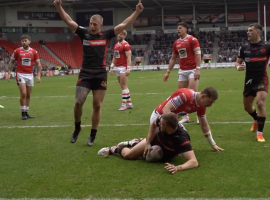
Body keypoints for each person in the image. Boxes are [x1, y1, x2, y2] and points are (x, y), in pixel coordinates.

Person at [53, 0, 144, 146]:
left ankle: (92, 135)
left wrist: (137, 12)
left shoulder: (106, 34)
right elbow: (68, 21)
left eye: (95, 24)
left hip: (100, 73)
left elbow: (124, 24)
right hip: (85, 73)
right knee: (78, 103)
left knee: (97, 105)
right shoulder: (84, 33)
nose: (92, 26)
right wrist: (59, 7)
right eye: (90, 23)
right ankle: (77, 128)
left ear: (101, 25)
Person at [98, 113, 199, 174]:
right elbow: (154, 123)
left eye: (161, 124)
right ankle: (113, 149)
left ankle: (135, 142)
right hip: (154, 141)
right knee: (129, 156)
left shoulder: (181, 138)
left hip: (164, 152)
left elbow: (194, 161)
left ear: (169, 129)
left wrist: (177, 167)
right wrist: (147, 143)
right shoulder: (163, 120)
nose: (159, 124)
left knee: (148, 157)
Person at [150, 87, 224, 151]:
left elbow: (204, 125)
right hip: (159, 116)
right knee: (158, 147)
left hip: (171, 120)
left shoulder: (201, 106)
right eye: (210, 102)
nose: (210, 105)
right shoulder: (186, 96)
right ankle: (142, 142)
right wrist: (174, 127)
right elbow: (166, 109)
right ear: (203, 96)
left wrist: (213, 144)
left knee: (183, 138)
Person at [235, 23, 270, 142]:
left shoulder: (267, 46)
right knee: (247, 107)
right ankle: (256, 119)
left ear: (258, 32)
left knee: (260, 103)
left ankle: (259, 133)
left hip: (262, 79)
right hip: (249, 80)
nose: (247, 33)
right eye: (248, 30)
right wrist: (238, 67)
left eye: (250, 30)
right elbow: (237, 63)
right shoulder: (244, 47)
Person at [163, 22, 202, 124]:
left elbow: (198, 55)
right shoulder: (176, 43)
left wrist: (198, 69)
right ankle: (185, 117)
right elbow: (173, 59)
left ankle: (199, 116)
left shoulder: (192, 40)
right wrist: (168, 72)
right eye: (177, 28)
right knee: (181, 95)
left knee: (193, 94)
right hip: (182, 70)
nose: (178, 30)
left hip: (193, 69)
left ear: (186, 29)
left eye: (180, 28)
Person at [7, 35, 41, 120]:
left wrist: (38, 75)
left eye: (25, 40)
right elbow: (11, 62)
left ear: (29, 41)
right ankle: (23, 113)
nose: (24, 42)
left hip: (30, 75)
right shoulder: (17, 51)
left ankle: (26, 112)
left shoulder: (34, 52)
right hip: (20, 74)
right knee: (23, 93)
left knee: (28, 95)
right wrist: (9, 73)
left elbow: (38, 64)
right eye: (22, 41)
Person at [109, 30, 133, 111]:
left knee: (123, 85)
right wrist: (111, 67)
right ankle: (129, 103)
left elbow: (129, 57)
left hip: (123, 67)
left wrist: (128, 68)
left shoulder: (126, 45)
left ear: (124, 36)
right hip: (118, 67)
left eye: (121, 34)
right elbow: (115, 57)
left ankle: (124, 104)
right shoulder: (116, 45)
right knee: (123, 86)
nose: (119, 35)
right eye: (119, 33)